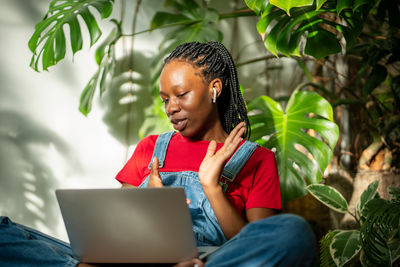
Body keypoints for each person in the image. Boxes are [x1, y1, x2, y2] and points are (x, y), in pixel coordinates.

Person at [0, 41, 316, 267]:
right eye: (165, 99)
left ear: (214, 89)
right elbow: (113, 233)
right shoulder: (152, 148)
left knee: (293, 231)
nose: (171, 107)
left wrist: (212, 188)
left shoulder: (257, 159)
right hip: (135, 259)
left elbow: (255, 241)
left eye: (181, 95)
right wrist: (149, 209)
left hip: (209, 259)